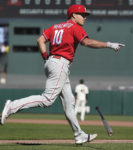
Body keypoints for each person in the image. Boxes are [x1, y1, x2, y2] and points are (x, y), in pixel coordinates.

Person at [0, 4, 125, 144]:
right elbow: (87, 42)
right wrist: (109, 44)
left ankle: (79, 135)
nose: (85, 17)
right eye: (82, 14)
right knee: (47, 100)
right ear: (73, 15)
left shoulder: (55, 26)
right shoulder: (75, 27)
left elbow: (40, 40)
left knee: (69, 102)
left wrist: (46, 57)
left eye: (85, 15)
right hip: (60, 64)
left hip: (52, 62)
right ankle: (12, 106)